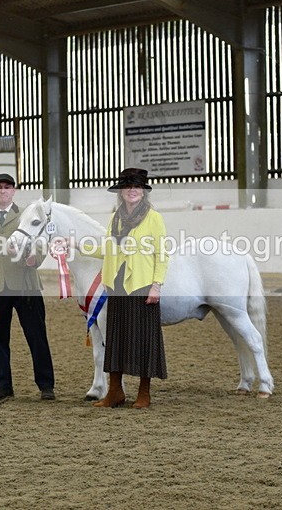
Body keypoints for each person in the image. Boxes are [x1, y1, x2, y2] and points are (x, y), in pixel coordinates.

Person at [75, 167, 168, 408]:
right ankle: (115, 391)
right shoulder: (115, 218)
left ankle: (143, 393)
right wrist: (76, 245)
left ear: (143, 192)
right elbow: (106, 249)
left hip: (142, 284)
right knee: (116, 338)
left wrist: (156, 286)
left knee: (144, 338)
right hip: (116, 285)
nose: (131, 191)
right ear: (121, 192)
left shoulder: (154, 218)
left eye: (136, 187)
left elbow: (162, 254)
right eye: (127, 187)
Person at [0, 173, 55, 402]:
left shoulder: (26, 215)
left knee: (37, 336)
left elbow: (41, 244)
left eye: (7, 187)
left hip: (26, 287)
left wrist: (33, 260)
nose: (3, 191)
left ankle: (46, 386)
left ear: (14, 190)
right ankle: (4, 386)